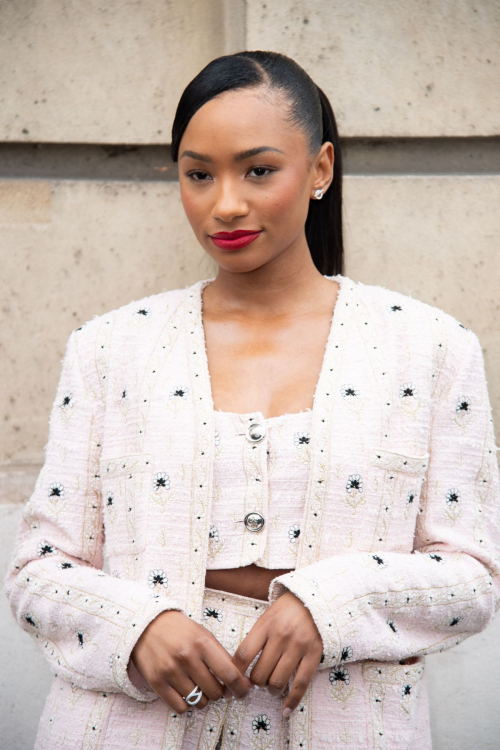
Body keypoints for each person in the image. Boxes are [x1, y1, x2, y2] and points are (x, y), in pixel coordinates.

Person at [4, 50, 500, 750]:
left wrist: (333, 605)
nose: (225, 203)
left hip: (348, 726)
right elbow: (38, 570)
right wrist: (136, 626)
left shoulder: (430, 348)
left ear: (320, 169)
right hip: (122, 728)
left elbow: (471, 578)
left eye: (258, 170)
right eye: (198, 174)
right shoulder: (110, 349)